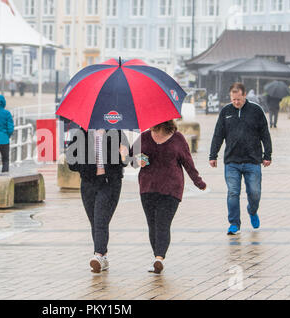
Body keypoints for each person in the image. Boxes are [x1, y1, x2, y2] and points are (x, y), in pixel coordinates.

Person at [125, 120, 206, 274]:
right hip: (148, 187)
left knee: (162, 223)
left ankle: (159, 258)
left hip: (171, 189)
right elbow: (130, 158)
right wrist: (137, 161)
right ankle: (157, 257)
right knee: (152, 225)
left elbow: (188, 163)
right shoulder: (145, 137)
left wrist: (198, 182)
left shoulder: (178, 138)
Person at [209, 83, 272, 235]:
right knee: (233, 193)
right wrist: (213, 155)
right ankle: (234, 224)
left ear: (244, 95)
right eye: (233, 99)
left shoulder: (256, 111)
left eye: (238, 99)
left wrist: (267, 155)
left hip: (253, 160)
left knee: (255, 193)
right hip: (232, 161)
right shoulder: (226, 111)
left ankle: (252, 210)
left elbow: (265, 134)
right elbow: (218, 134)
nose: (236, 102)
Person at [67, 128, 129, 273]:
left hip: (110, 183)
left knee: (101, 220)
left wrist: (123, 155)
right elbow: (71, 161)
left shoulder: (117, 133)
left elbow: (126, 160)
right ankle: (103, 256)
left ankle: (98, 255)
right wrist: (84, 166)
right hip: (88, 183)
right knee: (94, 221)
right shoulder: (81, 134)